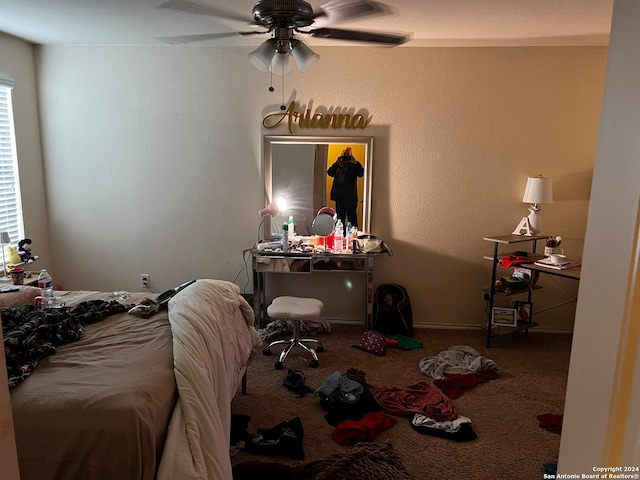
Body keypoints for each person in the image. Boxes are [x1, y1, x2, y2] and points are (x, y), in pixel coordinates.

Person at [326, 147, 364, 228]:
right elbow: (329, 173)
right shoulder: (338, 165)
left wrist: (356, 163)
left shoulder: (354, 166)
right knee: (340, 220)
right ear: (341, 155)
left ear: (351, 155)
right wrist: (336, 163)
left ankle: (353, 237)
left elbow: (361, 174)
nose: (346, 156)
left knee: (352, 218)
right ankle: (341, 236)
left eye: (348, 154)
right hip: (339, 197)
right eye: (344, 154)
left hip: (350, 197)